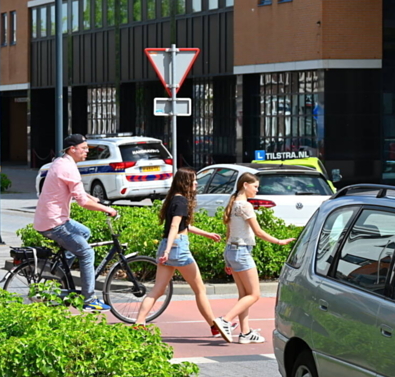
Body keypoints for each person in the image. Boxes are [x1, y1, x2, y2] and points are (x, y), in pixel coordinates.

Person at [33, 134, 119, 313]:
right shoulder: (69, 168)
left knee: (85, 232)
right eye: (84, 148)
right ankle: (89, 300)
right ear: (72, 149)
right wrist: (107, 209)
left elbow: (74, 190)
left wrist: (92, 197)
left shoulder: (60, 162)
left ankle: (61, 272)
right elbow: (82, 202)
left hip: (51, 218)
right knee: (87, 254)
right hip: (55, 223)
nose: (87, 151)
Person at [133, 167, 222, 329]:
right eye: (193, 179)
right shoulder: (182, 201)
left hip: (166, 244)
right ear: (185, 182)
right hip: (178, 248)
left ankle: (139, 322)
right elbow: (175, 226)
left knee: (157, 290)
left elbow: (183, 226)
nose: (196, 182)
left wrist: (207, 234)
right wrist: (168, 251)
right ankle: (214, 325)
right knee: (200, 289)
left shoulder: (173, 199)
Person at [212, 173, 296, 344]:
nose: (257, 190)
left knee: (244, 294)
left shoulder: (233, 203)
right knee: (255, 294)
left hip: (231, 250)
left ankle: (245, 332)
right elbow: (258, 231)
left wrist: (226, 259)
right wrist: (279, 241)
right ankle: (225, 320)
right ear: (245, 185)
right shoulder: (245, 206)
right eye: (255, 186)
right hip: (242, 251)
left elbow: (229, 233)